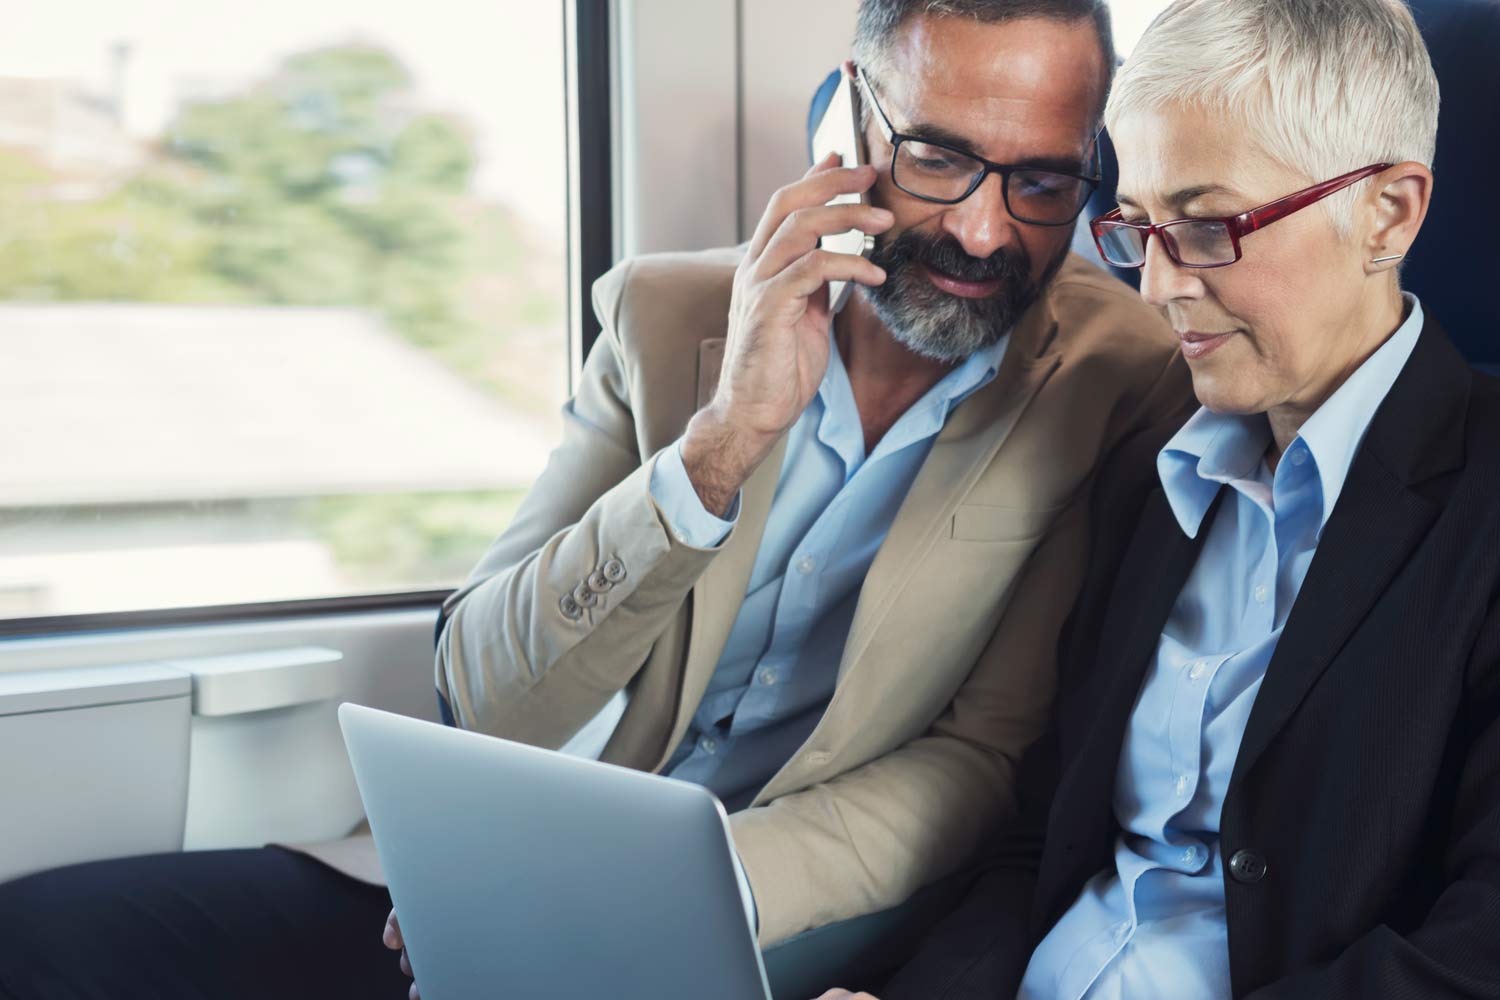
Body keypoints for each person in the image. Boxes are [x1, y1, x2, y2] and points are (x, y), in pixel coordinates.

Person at [0, 3, 1189, 998]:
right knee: (48, 943)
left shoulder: (1125, 379)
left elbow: (981, 762)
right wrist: (719, 445)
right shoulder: (667, 317)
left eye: (1041, 180)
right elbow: (484, 690)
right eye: (939, 157)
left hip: (786, 911)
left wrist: (630, 896)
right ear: (848, 124)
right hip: (485, 875)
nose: (988, 229)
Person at [817, 1, 1500, 998]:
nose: (1156, 288)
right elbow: (1042, 842)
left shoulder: (1479, 499)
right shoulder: (1150, 467)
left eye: (1209, 227)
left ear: (1388, 213)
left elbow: (1477, 955)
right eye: (1137, 232)